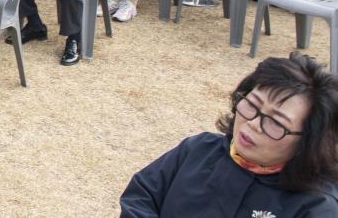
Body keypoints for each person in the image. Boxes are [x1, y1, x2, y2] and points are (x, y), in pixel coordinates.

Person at [120, 54, 338, 216]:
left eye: (275, 122)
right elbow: (142, 196)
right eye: (252, 104)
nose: (253, 124)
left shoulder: (315, 207)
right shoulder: (198, 149)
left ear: (308, 141)